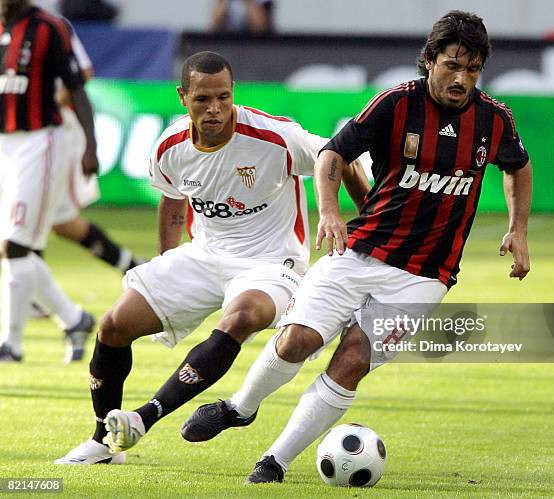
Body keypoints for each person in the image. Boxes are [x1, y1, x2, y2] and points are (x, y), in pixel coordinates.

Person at [180, 10, 533, 484]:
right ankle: (240, 408)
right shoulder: (395, 104)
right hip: (360, 250)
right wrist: (328, 211)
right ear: (429, 61)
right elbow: (331, 154)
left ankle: (274, 462)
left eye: (472, 69)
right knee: (297, 341)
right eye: (452, 65)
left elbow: (517, 165)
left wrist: (519, 228)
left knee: (352, 359)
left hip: (425, 275)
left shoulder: (493, 118)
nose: (461, 78)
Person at [55, 51, 369, 464]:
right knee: (114, 325)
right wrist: (165, 270)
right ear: (183, 97)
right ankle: (102, 442)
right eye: (203, 99)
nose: (215, 109)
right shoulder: (170, 147)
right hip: (205, 256)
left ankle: (143, 418)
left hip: (273, 263)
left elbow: (337, 155)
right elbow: (171, 206)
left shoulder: (276, 137)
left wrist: (366, 221)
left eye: (223, 97)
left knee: (239, 318)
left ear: (233, 92)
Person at [0, 0, 99, 363]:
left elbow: (77, 85)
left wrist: (91, 144)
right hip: (3, 144)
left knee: (17, 245)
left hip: (39, 142)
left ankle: (10, 344)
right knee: (11, 247)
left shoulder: (48, 28)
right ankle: (75, 319)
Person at [50, 27, 145, 274]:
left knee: (38, 218)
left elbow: (82, 71)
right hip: (13, 136)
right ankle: (131, 266)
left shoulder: (50, 26)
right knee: (59, 221)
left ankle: (31, 292)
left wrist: (45, 104)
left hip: (49, 134)